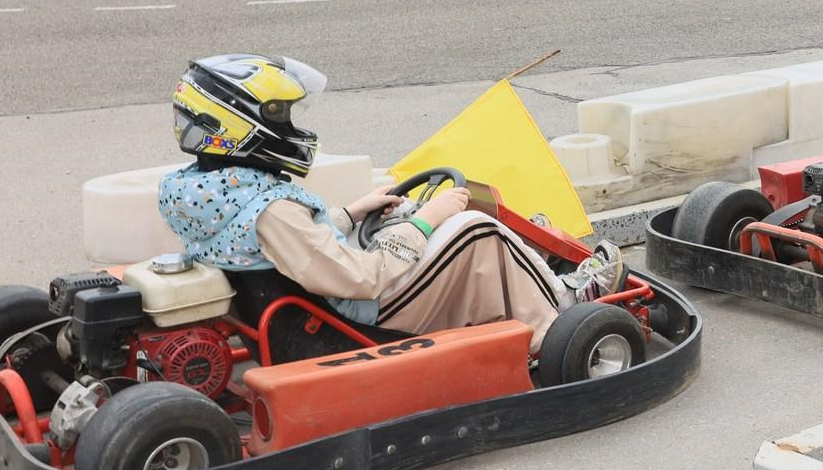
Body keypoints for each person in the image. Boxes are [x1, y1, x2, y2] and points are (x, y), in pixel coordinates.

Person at [157, 53, 622, 353]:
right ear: (237, 126)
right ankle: (565, 308)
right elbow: (361, 277)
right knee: (474, 230)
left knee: (422, 222)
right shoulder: (271, 211)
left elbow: (288, 248)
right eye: (279, 115)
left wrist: (353, 212)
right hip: (359, 315)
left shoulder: (206, 191)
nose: (290, 126)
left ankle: (528, 274)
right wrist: (425, 224)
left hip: (316, 301)